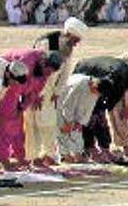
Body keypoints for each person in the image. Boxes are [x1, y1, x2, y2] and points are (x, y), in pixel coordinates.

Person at [26, 17, 87, 168]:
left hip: (52, 88)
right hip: (36, 86)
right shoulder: (46, 42)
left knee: (48, 122)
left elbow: (66, 70)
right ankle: (33, 157)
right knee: (32, 121)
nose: (76, 43)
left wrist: (58, 91)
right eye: (75, 39)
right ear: (68, 35)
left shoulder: (68, 47)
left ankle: (47, 154)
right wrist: (37, 93)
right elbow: (37, 69)